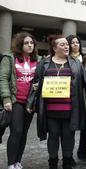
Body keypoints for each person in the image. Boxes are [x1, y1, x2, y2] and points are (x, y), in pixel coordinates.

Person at [27, 35, 86, 169]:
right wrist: (30, 102)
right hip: (50, 110)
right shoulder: (44, 63)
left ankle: (67, 161)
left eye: (67, 45)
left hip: (70, 109)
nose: (67, 46)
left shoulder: (75, 63)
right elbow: (35, 83)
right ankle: (52, 162)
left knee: (68, 137)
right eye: (63, 45)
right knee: (53, 136)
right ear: (54, 48)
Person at [0, 32, 39, 169]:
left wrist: (38, 84)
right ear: (20, 44)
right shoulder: (9, 58)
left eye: (32, 43)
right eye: (26, 43)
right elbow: (3, 79)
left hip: (29, 102)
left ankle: (18, 161)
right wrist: (6, 99)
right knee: (16, 131)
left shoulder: (38, 60)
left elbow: (41, 78)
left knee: (23, 133)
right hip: (15, 100)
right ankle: (11, 163)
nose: (30, 45)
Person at [66, 35, 86, 162]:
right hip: (71, 99)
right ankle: (68, 154)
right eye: (72, 42)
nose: (75, 45)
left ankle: (83, 151)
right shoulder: (65, 60)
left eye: (77, 42)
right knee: (69, 128)